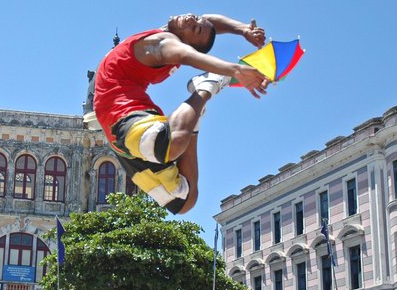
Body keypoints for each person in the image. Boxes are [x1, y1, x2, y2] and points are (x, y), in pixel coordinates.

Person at [93, 13, 269, 215]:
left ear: (186, 43)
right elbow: (210, 21)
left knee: (184, 201)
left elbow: (187, 55)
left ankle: (199, 101)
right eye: (194, 17)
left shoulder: (166, 42)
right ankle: (202, 95)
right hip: (120, 120)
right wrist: (242, 28)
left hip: (122, 117)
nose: (189, 20)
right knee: (171, 148)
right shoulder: (169, 32)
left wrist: (234, 70)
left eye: (194, 28)